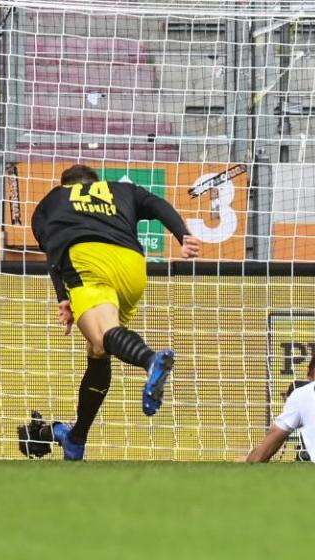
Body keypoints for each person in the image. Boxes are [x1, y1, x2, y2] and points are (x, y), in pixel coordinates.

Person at [31, 164, 201, 460]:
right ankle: (76, 438)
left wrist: (63, 297)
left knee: (103, 334)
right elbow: (157, 204)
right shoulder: (121, 190)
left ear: (66, 185)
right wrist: (182, 234)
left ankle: (151, 360)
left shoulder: (53, 200)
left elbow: (52, 253)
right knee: (99, 349)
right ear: (96, 183)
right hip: (132, 265)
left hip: (87, 259)